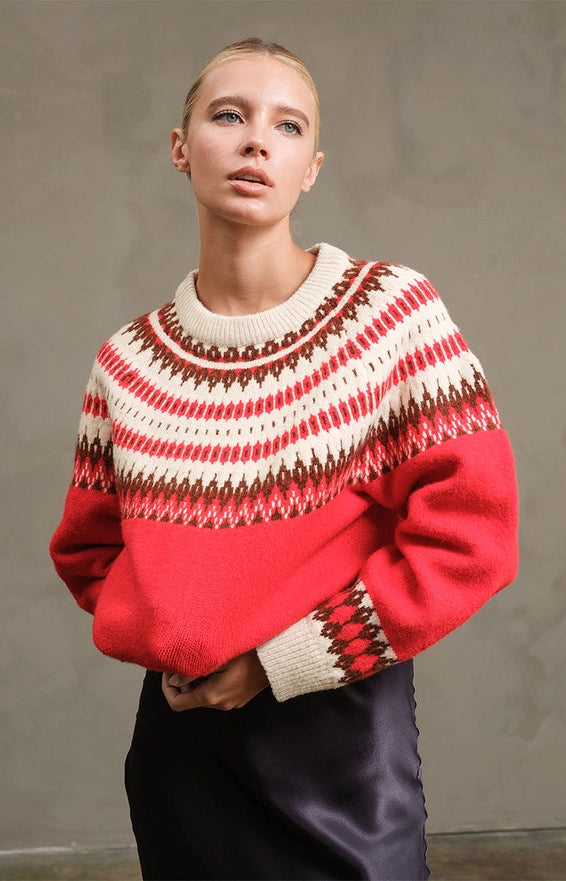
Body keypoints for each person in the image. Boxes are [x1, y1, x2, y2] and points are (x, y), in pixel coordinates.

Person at [50, 38, 518, 881]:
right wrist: (182, 629)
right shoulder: (127, 359)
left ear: (311, 167)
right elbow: (89, 550)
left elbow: (471, 540)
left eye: (287, 125)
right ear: (180, 146)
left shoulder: (392, 316)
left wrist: (275, 661)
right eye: (228, 115)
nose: (257, 139)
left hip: (338, 749)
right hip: (183, 747)